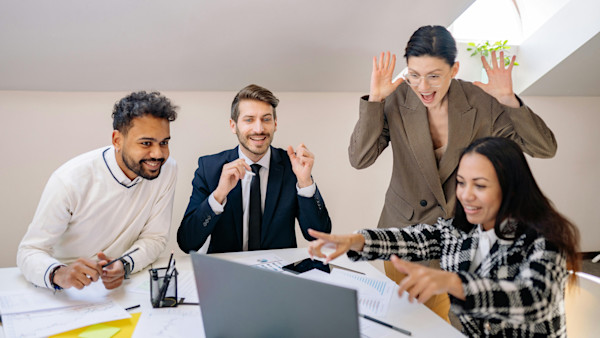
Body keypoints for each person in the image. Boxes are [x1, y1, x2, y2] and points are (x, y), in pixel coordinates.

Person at [348, 25, 557, 319]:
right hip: (404, 233)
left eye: (434, 75)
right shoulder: (396, 99)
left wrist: (509, 99)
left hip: (460, 237)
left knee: (452, 320)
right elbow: (360, 158)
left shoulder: (480, 102)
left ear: (454, 69)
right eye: (414, 74)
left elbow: (544, 148)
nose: (423, 86)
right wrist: (375, 101)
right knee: (407, 319)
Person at [309, 137, 580, 337]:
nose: (465, 195)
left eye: (480, 185)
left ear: (510, 187)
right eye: (461, 183)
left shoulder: (544, 238)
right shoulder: (460, 230)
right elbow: (414, 239)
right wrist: (358, 241)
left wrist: (453, 282)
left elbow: (536, 299)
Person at [17, 91, 178, 290]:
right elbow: (29, 250)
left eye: (164, 142)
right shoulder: (70, 179)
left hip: (121, 287)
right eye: (146, 143)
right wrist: (61, 274)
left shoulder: (167, 169)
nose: (158, 154)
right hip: (66, 291)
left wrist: (124, 264)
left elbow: (155, 237)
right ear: (117, 140)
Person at [178, 84, 331, 253]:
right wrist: (219, 195)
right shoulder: (209, 168)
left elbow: (319, 237)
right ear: (233, 125)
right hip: (227, 273)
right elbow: (187, 242)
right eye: (249, 120)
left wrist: (305, 183)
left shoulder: (292, 166)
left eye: (266, 119)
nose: (259, 129)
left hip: (278, 273)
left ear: (275, 124)